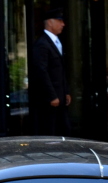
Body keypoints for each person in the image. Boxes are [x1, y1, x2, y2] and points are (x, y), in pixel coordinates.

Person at [29, 8, 70, 136]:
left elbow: (60, 70)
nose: (63, 24)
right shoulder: (42, 44)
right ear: (50, 22)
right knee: (50, 131)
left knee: (64, 129)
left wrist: (66, 91)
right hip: (50, 100)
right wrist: (51, 95)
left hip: (60, 96)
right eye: (59, 21)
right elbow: (41, 71)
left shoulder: (57, 42)